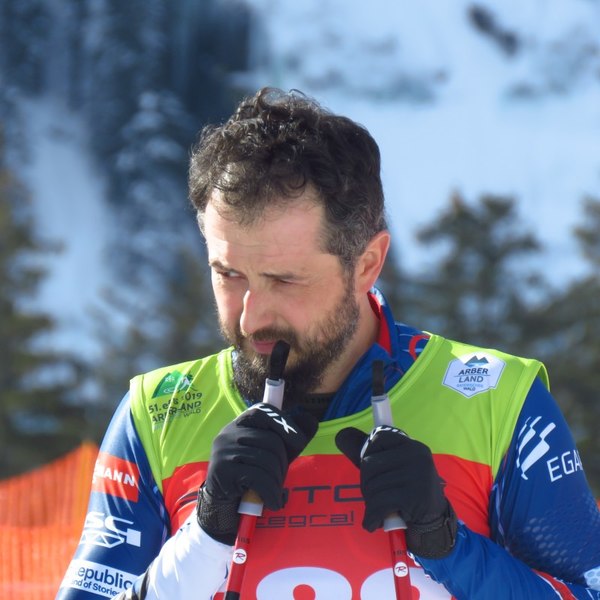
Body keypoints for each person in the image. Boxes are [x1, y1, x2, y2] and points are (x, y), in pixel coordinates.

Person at [57, 87, 600, 600]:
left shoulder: (496, 403)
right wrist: (203, 537)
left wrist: (451, 547)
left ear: (367, 264)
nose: (251, 316)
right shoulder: (158, 415)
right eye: (228, 274)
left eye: (285, 280)